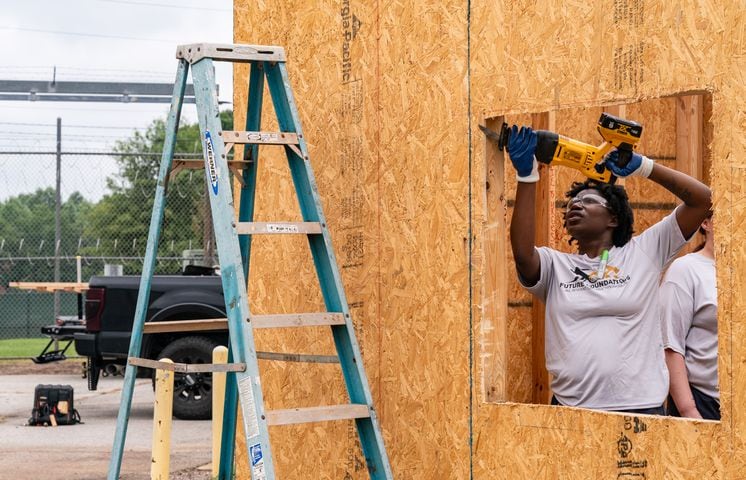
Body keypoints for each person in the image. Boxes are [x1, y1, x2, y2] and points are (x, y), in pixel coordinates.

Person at [507, 125, 712, 414]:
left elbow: (702, 200)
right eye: (572, 203)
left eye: (589, 200)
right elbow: (522, 254)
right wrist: (526, 176)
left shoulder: (645, 252)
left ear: (613, 218)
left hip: (642, 410)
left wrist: (643, 167)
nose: (576, 205)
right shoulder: (557, 266)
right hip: (572, 412)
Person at [661, 212, 719, 419]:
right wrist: (689, 411)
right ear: (705, 223)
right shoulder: (686, 270)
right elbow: (671, 346)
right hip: (704, 402)